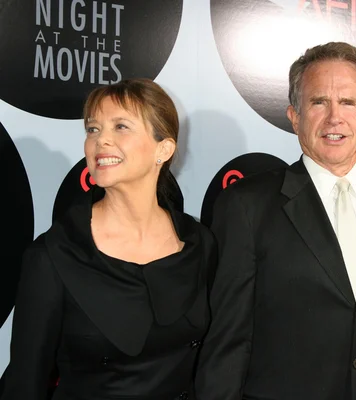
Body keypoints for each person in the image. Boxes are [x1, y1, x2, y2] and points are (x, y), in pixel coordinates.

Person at [196, 42, 356, 400]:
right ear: (294, 116)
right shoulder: (246, 207)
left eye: (349, 103)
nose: (334, 118)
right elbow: (227, 345)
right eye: (319, 102)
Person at [1, 78, 216, 400]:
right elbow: (25, 382)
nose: (101, 142)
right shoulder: (54, 255)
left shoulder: (199, 243)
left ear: (164, 149)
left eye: (121, 127)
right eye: (93, 129)